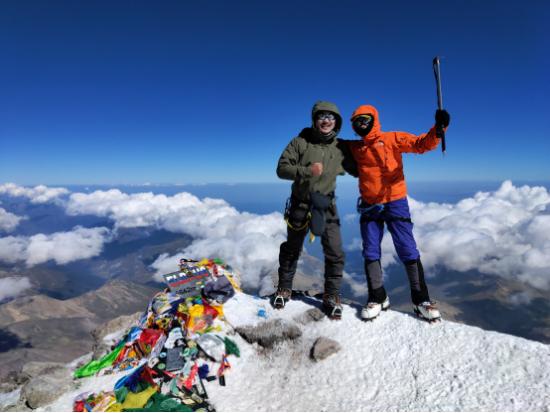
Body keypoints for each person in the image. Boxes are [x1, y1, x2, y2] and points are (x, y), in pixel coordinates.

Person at [346, 105, 450, 322]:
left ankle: (421, 300)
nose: (361, 125)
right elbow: (325, 144)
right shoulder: (355, 148)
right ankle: (377, 297)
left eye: (365, 120)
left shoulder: (393, 138)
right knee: (371, 251)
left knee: (407, 248)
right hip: (369, 205)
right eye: (356, 122)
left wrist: (439, 128)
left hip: (395, 202)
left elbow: (421, 144)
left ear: (374, 120)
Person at [273, 101, 357, 320]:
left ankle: (331, 296)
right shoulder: (300, 142)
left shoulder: (341, 148)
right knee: (292, 248)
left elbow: (361, 167)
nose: (326, 121)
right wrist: (307, 170)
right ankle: (284, 288)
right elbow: (282, 169)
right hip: (300, 203)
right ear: (314, 120)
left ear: (336, 122)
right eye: (322, 117)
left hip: (326, 205)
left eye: (331, 117)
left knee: (335, 251)